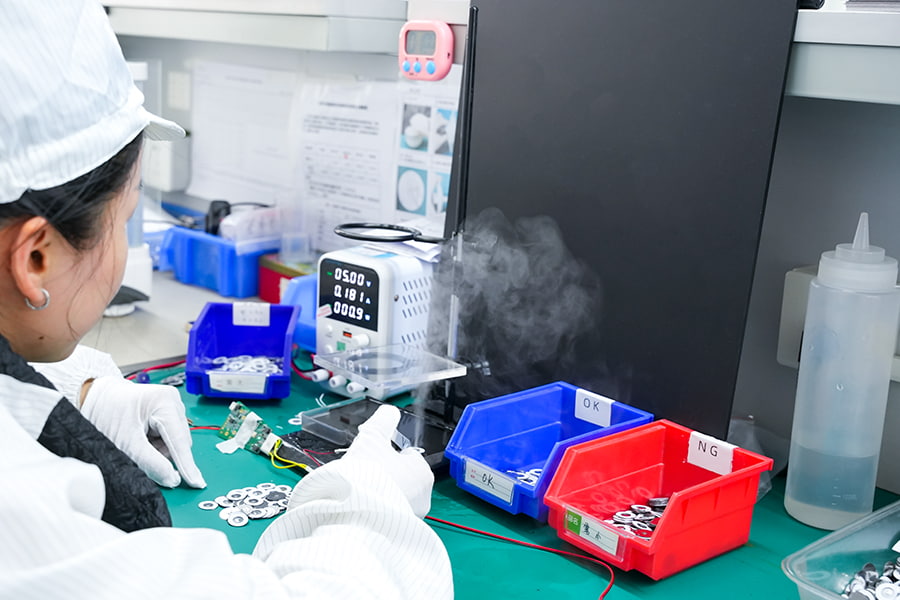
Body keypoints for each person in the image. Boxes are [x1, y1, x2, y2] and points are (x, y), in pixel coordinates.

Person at [0, 2, 453, 598]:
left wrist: (80, 396)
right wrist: (371, 508)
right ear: (35, 260)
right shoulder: (18, 507)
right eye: (126, 216)